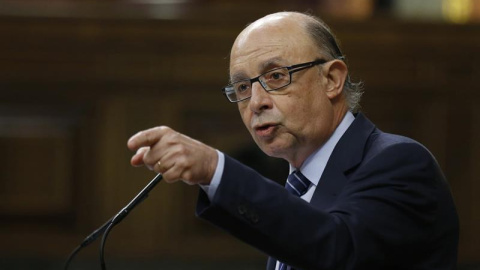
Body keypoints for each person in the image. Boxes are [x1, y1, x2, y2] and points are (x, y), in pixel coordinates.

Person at [127, 11, 459, 270]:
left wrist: (216, 170)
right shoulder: (293, 186)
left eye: (275, 76)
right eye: (243, 87)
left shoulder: (400, 163)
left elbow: (335, 249)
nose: (256, 102)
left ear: (331, 79)